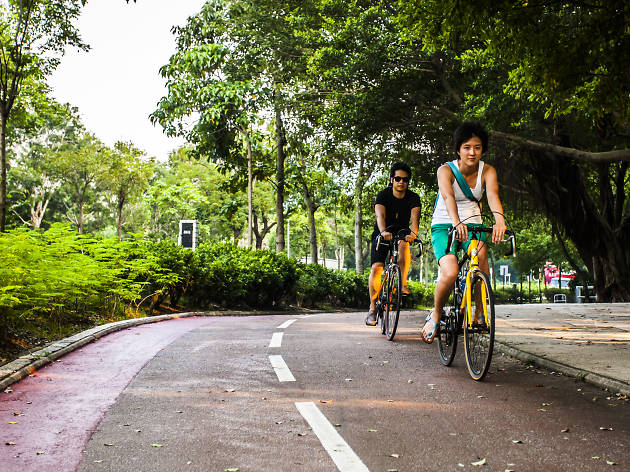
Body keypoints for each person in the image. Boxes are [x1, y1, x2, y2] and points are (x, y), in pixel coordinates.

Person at [422, 122, 506, 342]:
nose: (472, 152)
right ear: (458, 149)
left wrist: (499, 221)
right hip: (444, 223)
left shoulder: (488, 171)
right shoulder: (446, 170)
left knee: (481, 257)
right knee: (450, 273)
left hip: (474, 224)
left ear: (483, 149)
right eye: (467, 147)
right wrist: (456, 222)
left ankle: (479, 311)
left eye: (477, 147)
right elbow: (449, 197)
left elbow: (493, 197)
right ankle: (436, 314)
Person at [366, 162, 421, 326]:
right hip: (382, 232)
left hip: (402, 234)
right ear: (391, 179)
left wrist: (414, 233)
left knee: (404, 244)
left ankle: (402, 283)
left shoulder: (413, 197)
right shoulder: (383, 195)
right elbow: (380, 217)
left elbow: (414, 220)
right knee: (377, 268)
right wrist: (383, 232)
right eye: (398, 178)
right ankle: (372, 308)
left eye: (405, 179)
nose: (401, 182)